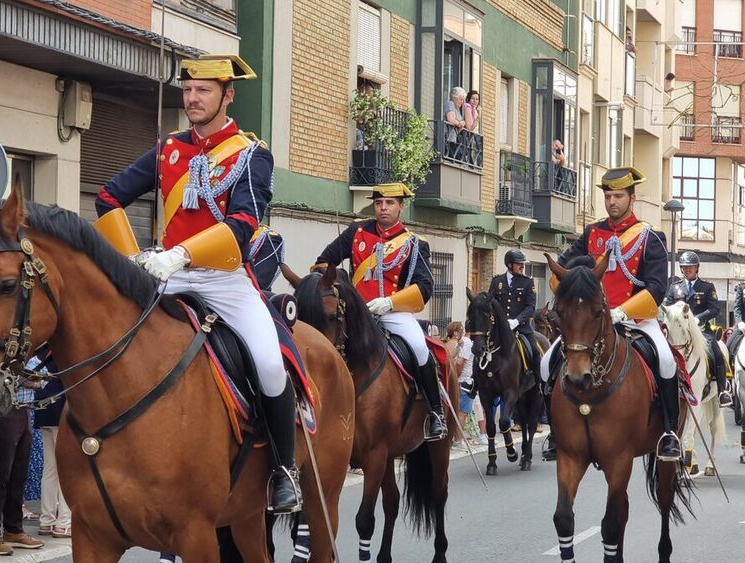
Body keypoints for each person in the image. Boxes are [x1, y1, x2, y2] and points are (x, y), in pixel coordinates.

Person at [94, 54, 302, 514]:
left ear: (227, 96)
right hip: (163, 275)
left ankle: (284, 470)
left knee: (269, 362)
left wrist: (181, 254)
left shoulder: (251, 154)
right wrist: (132, 257)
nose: (192, 99)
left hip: (224, 279)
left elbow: (244, 223)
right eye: (187, 91)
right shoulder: (168, 148)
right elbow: (108, 197)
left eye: (203, 91)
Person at [539, 167, 682, 461]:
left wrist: (622, 312)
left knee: (666, 361)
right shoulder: (592, 233)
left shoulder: (650, 237)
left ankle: (668, 432)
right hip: (592, 321)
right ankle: (555, 431)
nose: (612, 202)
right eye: (608, 196)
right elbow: (563, 271)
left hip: (637, 319)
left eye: (618, 196)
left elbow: (657, 288)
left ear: (632, 198)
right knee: (546, 363)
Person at [314, 182, 445, 440]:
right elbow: (323, 262)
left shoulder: (414, 243)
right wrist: (341, 283)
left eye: (389, 203)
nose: (383, 208)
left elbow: (425, 286)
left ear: (401, 207)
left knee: (419, 347)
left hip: (393, 312)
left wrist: (390, 303)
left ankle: (435, 412)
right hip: (356, 312)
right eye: (378, 203)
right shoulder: (356, 231)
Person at [663, 251, 733, 407]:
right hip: (679, 331)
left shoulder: (707, 287)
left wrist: (698, 318)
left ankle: (722, 391)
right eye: (685, 267)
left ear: (697, 268)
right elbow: (667, 306)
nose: (688, 269)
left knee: (717, 352)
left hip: (701, 330)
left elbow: (715, 308)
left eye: (691, 267)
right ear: (681, 269)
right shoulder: (675, 288)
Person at [0, 367, 44, 555]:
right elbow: (9, 376)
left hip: (26, 409)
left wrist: (29, 379)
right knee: (2, 474)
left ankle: (13, 529)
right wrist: (29, 379)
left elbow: (43, 377)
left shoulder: (30, 348)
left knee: (19, 474)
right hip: (5, 410)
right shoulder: (8, 348)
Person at [33, 357, 70, 539]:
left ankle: (46, 520)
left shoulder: (43, 352)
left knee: (50, 468)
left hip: (44, 407)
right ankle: (64, 522)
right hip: (61, 406)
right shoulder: (62, 348)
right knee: (66, 468)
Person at [487, 250, 539, 375]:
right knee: (480, 347)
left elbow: (531, 307)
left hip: (521, 328)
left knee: (535, 352)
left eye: (523, 264)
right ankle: (473, 383)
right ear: (510, 265)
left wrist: (516, 321)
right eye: (519, 264)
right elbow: (489, 304)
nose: (522, 266)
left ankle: (540, 385)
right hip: (499, 329)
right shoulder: (496, 282)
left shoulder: (527, 282)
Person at [443, 87, 467, 159]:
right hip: (447, 139)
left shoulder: (457, 109)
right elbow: (451, 119)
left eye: (463, 100)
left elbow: (458, 128)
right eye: (461, 99)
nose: (462, 101)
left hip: (454, 139)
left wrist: (462, 123)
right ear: (454, 97)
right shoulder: (450, 104)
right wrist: (460, 123)